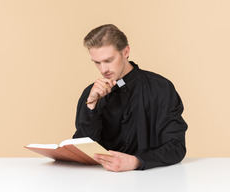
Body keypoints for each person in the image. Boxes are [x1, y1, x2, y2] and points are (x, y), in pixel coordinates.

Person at [73, 24, 187, 172]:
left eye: (108, 60)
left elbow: (177, 147)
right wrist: (91, 106)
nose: (103, 69)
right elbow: (82, 150)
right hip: (101, 180)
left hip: (153, 180)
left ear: (125, 52)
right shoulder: (91, 93)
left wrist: (137, 162)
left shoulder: (160, 88)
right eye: (97, 62)